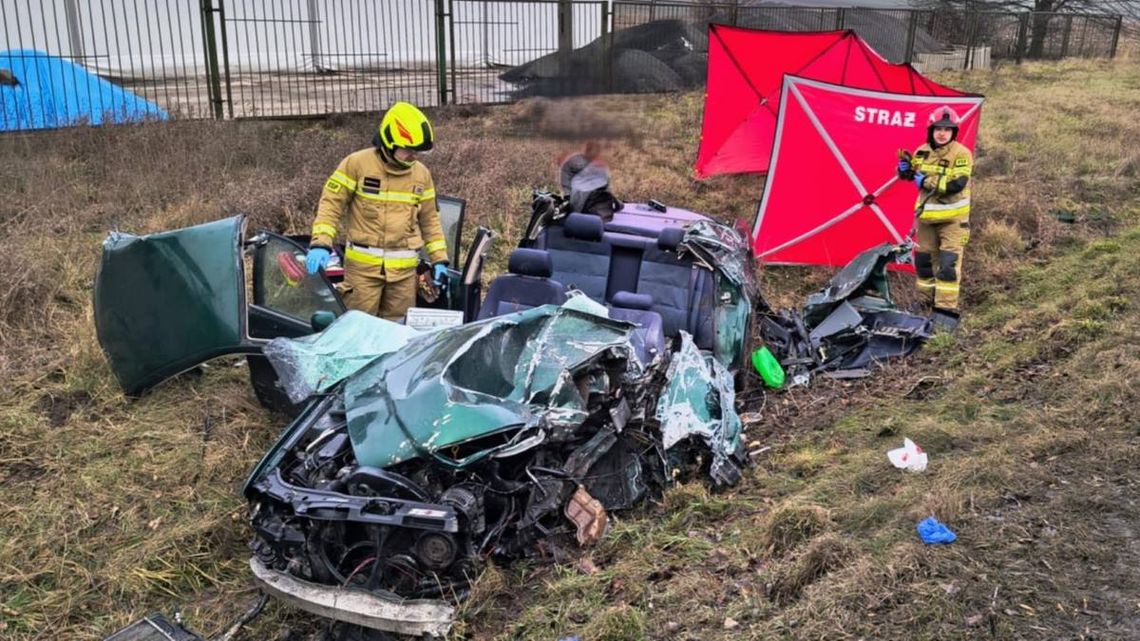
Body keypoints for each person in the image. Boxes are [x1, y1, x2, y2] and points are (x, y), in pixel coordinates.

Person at [304, 102, 448, 321]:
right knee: (358, 330)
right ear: (390, 142)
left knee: (397, 332)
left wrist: (440, 260)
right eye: (408, 150)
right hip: (362, 273)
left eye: (417, 151)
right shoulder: (356, 164)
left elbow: (430, 221)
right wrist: (321, 243)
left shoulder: (421, 175)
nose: (413, 156)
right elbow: (331, 205)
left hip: (403, 276)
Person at [898, 105, 973, 331]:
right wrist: (904, 170)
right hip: (926, 219)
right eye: (938, 128)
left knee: (948, 264)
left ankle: (945, 309)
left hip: (953, 220)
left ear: (954, 132)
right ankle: (924, 301)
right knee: (923, 262)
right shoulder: (922, 152)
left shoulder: (962, 154)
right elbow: (910, 175)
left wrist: (925, 181)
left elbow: (956, 184)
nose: (942, 133)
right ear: (931, 130)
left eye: (947, 129)